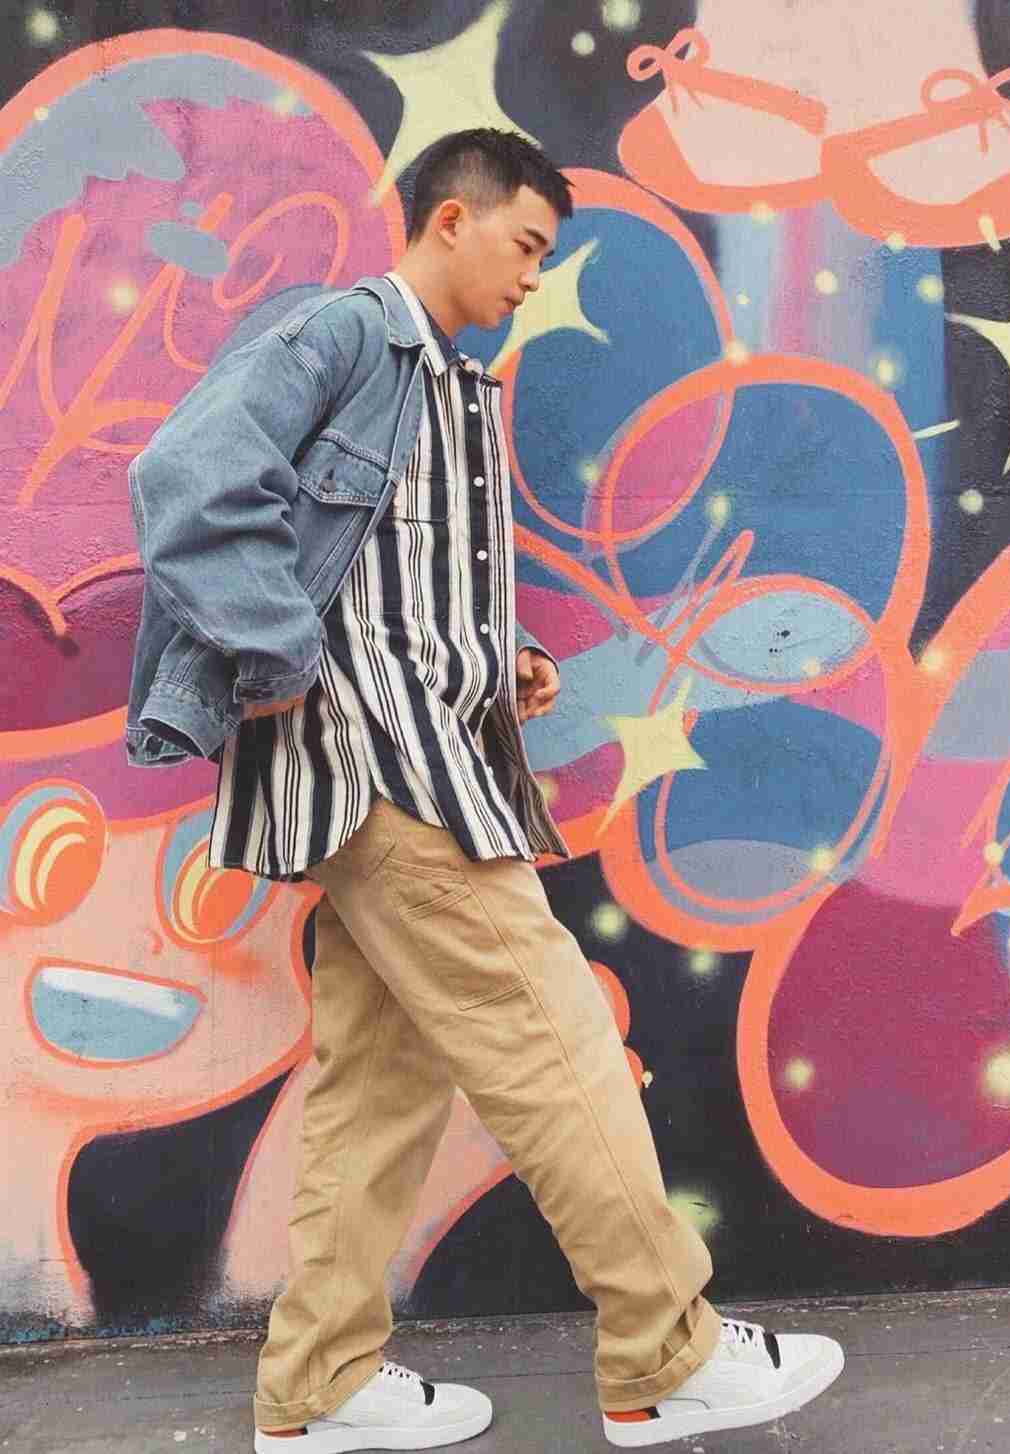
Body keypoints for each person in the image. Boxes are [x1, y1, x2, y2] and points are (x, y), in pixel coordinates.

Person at [126, 128, 844, 1452]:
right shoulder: (343, 335)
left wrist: (491, 656)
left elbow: (383, 578)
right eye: (525, 244)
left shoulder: (446, 385)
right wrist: (275, 653)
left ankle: (319, 1384)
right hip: (392, 775)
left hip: (410, 763)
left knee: (379, 1086)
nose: (532, 275)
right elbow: (185, 476)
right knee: (556, 1039)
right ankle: (668, 1352)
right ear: (449, 220)